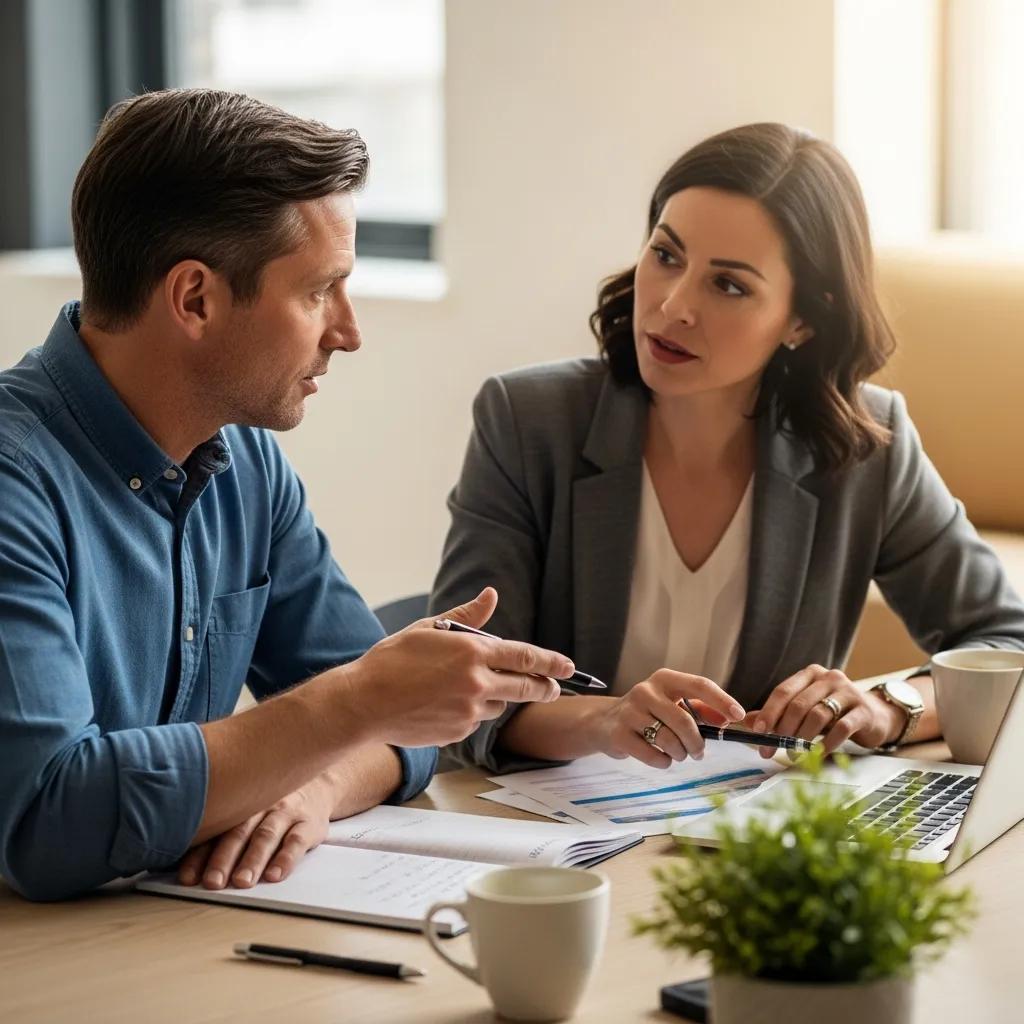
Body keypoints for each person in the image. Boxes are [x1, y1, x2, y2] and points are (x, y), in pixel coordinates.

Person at [0, 89, 571, 902]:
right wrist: (353, 706)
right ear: (195, 298)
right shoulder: (13, 483)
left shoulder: (247, 464)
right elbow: (45, 820)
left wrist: (315, 785)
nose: (348, 330)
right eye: (318, 292)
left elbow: (399, 731)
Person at [428, 122, 1024, 774]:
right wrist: (602, 719)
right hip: (538, 832)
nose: (674, 305)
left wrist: (888, 707)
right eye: (667, 255)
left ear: (803, 320)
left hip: (747, 831)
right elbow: (457, 682)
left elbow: (1007, 643)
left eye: (729, 285)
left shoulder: (864, 448)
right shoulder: (526, 421)